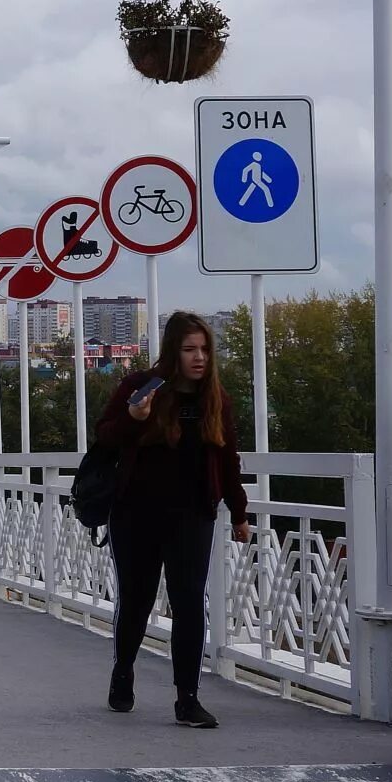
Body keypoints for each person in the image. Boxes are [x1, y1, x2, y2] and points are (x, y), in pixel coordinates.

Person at [91, 310, 252, 729]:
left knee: (189, 604)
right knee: (137, 601)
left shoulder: (215, 397)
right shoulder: (141, 388)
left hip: (193, 515)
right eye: (189, 349)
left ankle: (187, 698)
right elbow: (104, 435)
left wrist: (239, 511)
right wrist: (135, 418)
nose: (199, 358)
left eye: (204, 349)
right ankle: (123, 673)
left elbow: (228, 458)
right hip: (135, 514)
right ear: (172, 351)